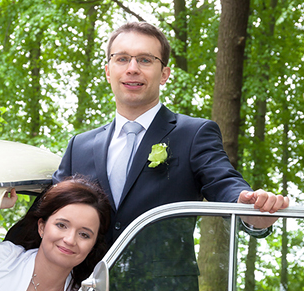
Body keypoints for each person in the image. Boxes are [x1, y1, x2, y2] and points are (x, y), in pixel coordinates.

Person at [53, 21, 289, 244]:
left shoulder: (194, 134)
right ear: (107, 71)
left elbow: (225, 184)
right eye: (122, 59)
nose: (132, 69)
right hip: (86, 284)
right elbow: (49, 210)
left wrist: (251, 208)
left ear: (164, 74)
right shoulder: (79, 146)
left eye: (145, 60)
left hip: (167, 286)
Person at [0, 176, 111, 291]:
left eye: (84, 235)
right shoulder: (3, 259)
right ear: (42, 227)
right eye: (61, 225)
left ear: (93, 245)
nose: (70, 240)